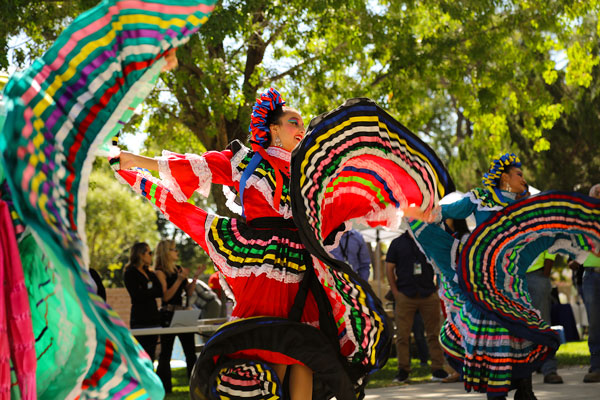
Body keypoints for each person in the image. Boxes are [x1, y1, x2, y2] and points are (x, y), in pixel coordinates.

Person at [117, 88, 317, 399]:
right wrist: (135, 159)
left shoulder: (308, 172)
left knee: (306, 353)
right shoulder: (248, 162)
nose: (301, 129)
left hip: (304, 269)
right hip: (265, 268)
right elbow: (196, 164)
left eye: (302, 124)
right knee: (275, 349)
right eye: (293, 122)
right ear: (274, 129)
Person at [410, 153, 539, 400]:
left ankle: (524, 387)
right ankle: (497, 390)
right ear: (505, 178)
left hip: (511, 277)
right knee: (493, 331)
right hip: (485, 278)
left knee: (522, 328)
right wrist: (414, 210)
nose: (524, 179)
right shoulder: (480, 197)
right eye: (519, 174)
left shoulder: (525, 203)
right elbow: (442, 212)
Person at [385, 231, 448, 383]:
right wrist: (395, 292)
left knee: (434, 333)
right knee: (402, 335)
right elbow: (389, 268)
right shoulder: (397, 243)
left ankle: (438, 368)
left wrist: (438, 289)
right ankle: (403, 370)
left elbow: (441, 263)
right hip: (405, 294)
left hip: (428, 293)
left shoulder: (428, 238)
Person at [153, 239, 199, 393]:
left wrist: (196, 277)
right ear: (166, 252)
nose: (177, 252)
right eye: (173, 249)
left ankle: (195, 386)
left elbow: (189, 292)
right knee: (166, 353)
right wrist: (179, 279)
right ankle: (165, 389)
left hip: (182, 312)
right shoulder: (160, 271)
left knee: (190, 352)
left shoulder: (178, 269)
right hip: (168, 313)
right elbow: (166, 297)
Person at [569, 183, 600, 383]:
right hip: (591, 276)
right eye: (595, 193)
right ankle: (597, 367)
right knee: (595, 323)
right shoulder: (584, 221)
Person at [526, 251, 563, 384]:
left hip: (537, 275)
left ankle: (549, 369)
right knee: (515, 325)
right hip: (514, 276)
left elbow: (551, 248)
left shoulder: (539, 229)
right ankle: (519, 372)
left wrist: (545, 274)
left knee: (543, 324)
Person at [123, 242, 162, 363]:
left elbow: (159, 291)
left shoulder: (150, 273)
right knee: (141, 354)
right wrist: (150, 291)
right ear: (141, 254)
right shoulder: (130, 273)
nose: (151, 256)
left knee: (152, 354)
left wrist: (145, 290)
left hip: (153, 317)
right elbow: (136, 295)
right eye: (149, 253)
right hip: (140, 318)